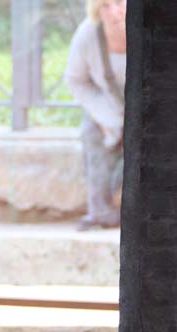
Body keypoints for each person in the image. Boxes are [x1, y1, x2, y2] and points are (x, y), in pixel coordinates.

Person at [65, 0, 126, 230]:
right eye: (105, 6)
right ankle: (100, 211)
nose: (114, 12)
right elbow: (76, 80)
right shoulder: (88, 36)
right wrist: (105, 116)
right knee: (91, 133)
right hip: (109, 108)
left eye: (120, 2)